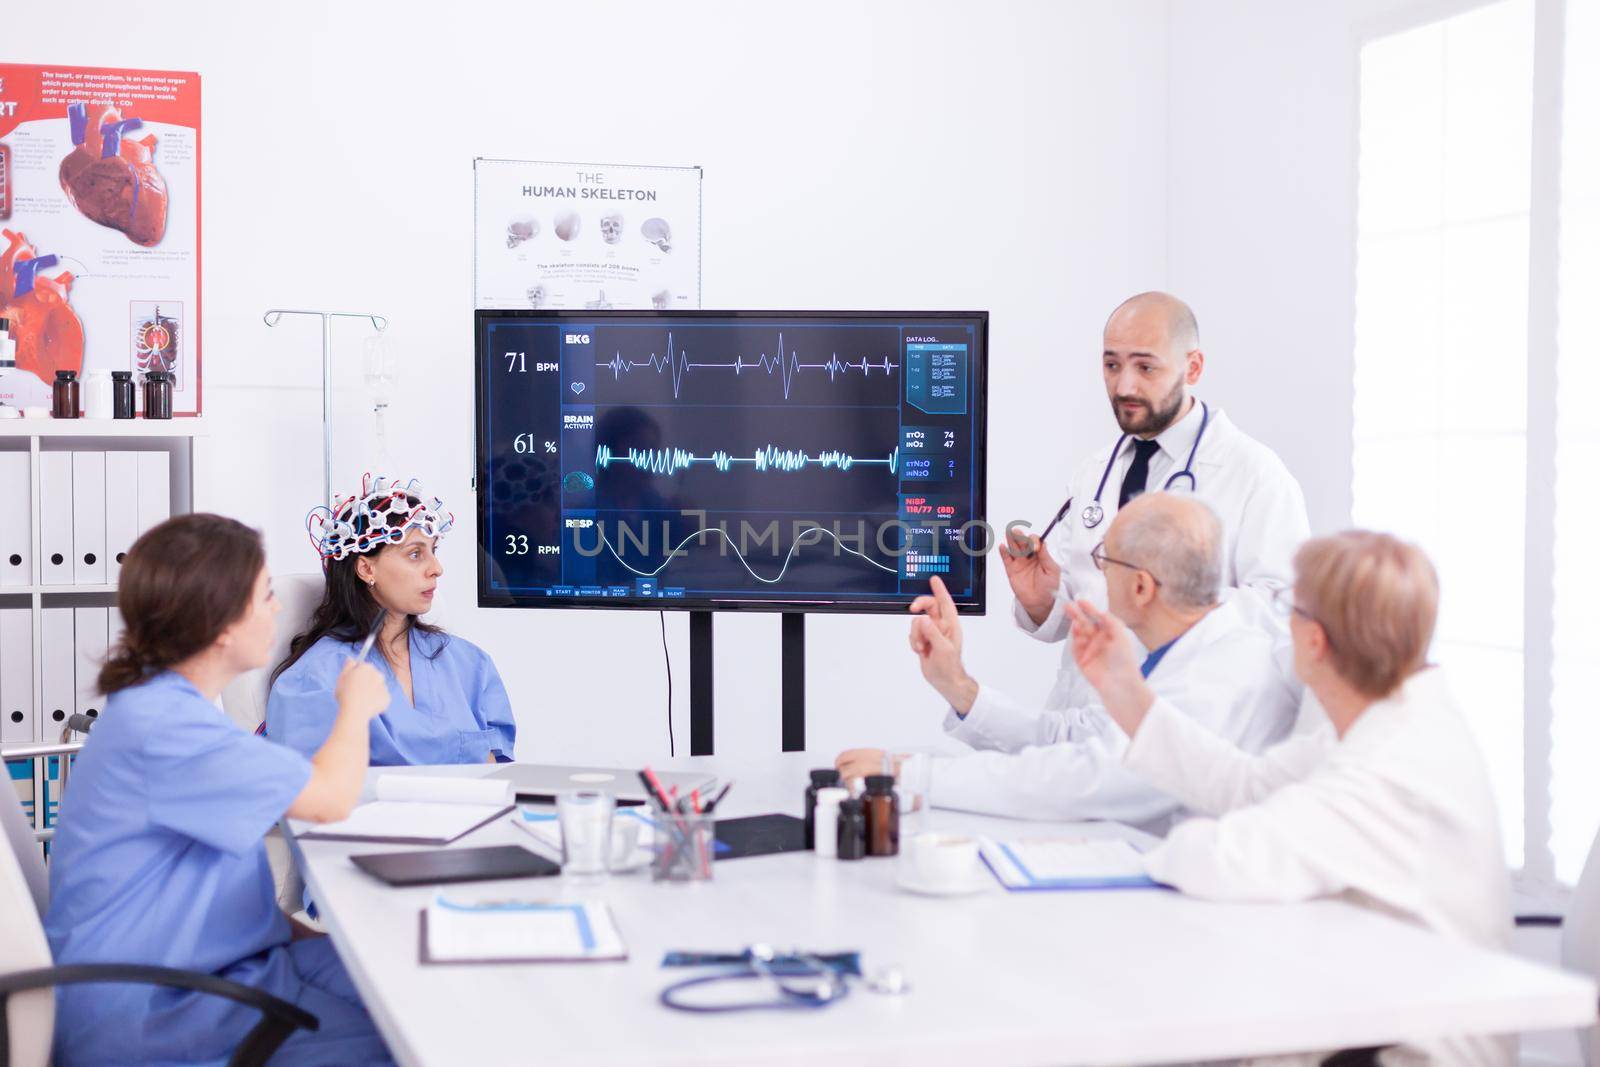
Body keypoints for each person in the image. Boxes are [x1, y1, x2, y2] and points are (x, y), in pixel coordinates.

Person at [1065, 531, 1509, 1066]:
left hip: (1402, 1048)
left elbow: (1225, 858)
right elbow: (1245, 784)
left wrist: (1148, 851)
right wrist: (1125, 690)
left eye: (1288, 608)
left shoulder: (1388, 766)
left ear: (1315, 641)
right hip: (1360, 1004)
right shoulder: (1388, 720)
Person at [43, 514, 395, 1065]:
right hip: (166, 1010)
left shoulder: (164, 708)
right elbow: (329, 801)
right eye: (267, 595)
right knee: (408, 1037)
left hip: (241, 964)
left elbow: (218, 885)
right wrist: (354, 708)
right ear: (222, 622)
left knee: (399, 981)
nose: (278, 610)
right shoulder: (167, 730)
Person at [838, 494, 1297, 833]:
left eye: (1103, 560)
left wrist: (911, 774)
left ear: (1140, 588)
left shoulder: (1219, 676)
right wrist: (958, 685)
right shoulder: (1191, 647)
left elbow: (1091, 777)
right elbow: (1076, 738)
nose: (1092, 575)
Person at [1001, 292, 1310, 709]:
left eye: (1145, 366)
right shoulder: (1094, 472)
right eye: (1112, 365)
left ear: (1193, 367)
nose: (1125, 385)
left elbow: (1284, 608)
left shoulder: (1253, 472)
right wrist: (1043, 601)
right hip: (1082, 722)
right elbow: (1084, 604)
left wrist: (1174, 600)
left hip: (1187, 720)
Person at [266, 474, 516, 766]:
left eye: (433, 551)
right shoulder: (314, 679)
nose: (437, 568)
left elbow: (497, 773)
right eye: (414, 554)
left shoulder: (469, 664)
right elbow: (310, 795)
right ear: (366, 569)